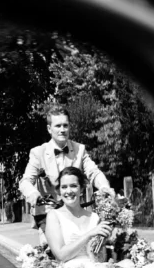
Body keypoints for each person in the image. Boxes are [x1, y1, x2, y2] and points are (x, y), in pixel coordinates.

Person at [18, 103, 115, 242]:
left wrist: (104, 186)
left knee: (89, 247)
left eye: (65, 125)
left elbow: (93, 172)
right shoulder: (38, 153)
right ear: (49, 129)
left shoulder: (79, 149)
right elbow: (25, 181)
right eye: (58, 126)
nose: (62, 130)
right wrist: (33, 193)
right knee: (51, 252)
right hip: (47, 214)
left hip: (74, 211)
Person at [44, 167, 113, 262]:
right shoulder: (54, 216)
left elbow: (100, 259)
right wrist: (90, 234)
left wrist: (102, 243)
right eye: (64, 187)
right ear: (59, 191)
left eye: (73, 186)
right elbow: (61, 255)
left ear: (81, 189)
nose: (68, 191)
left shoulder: (94, 217)